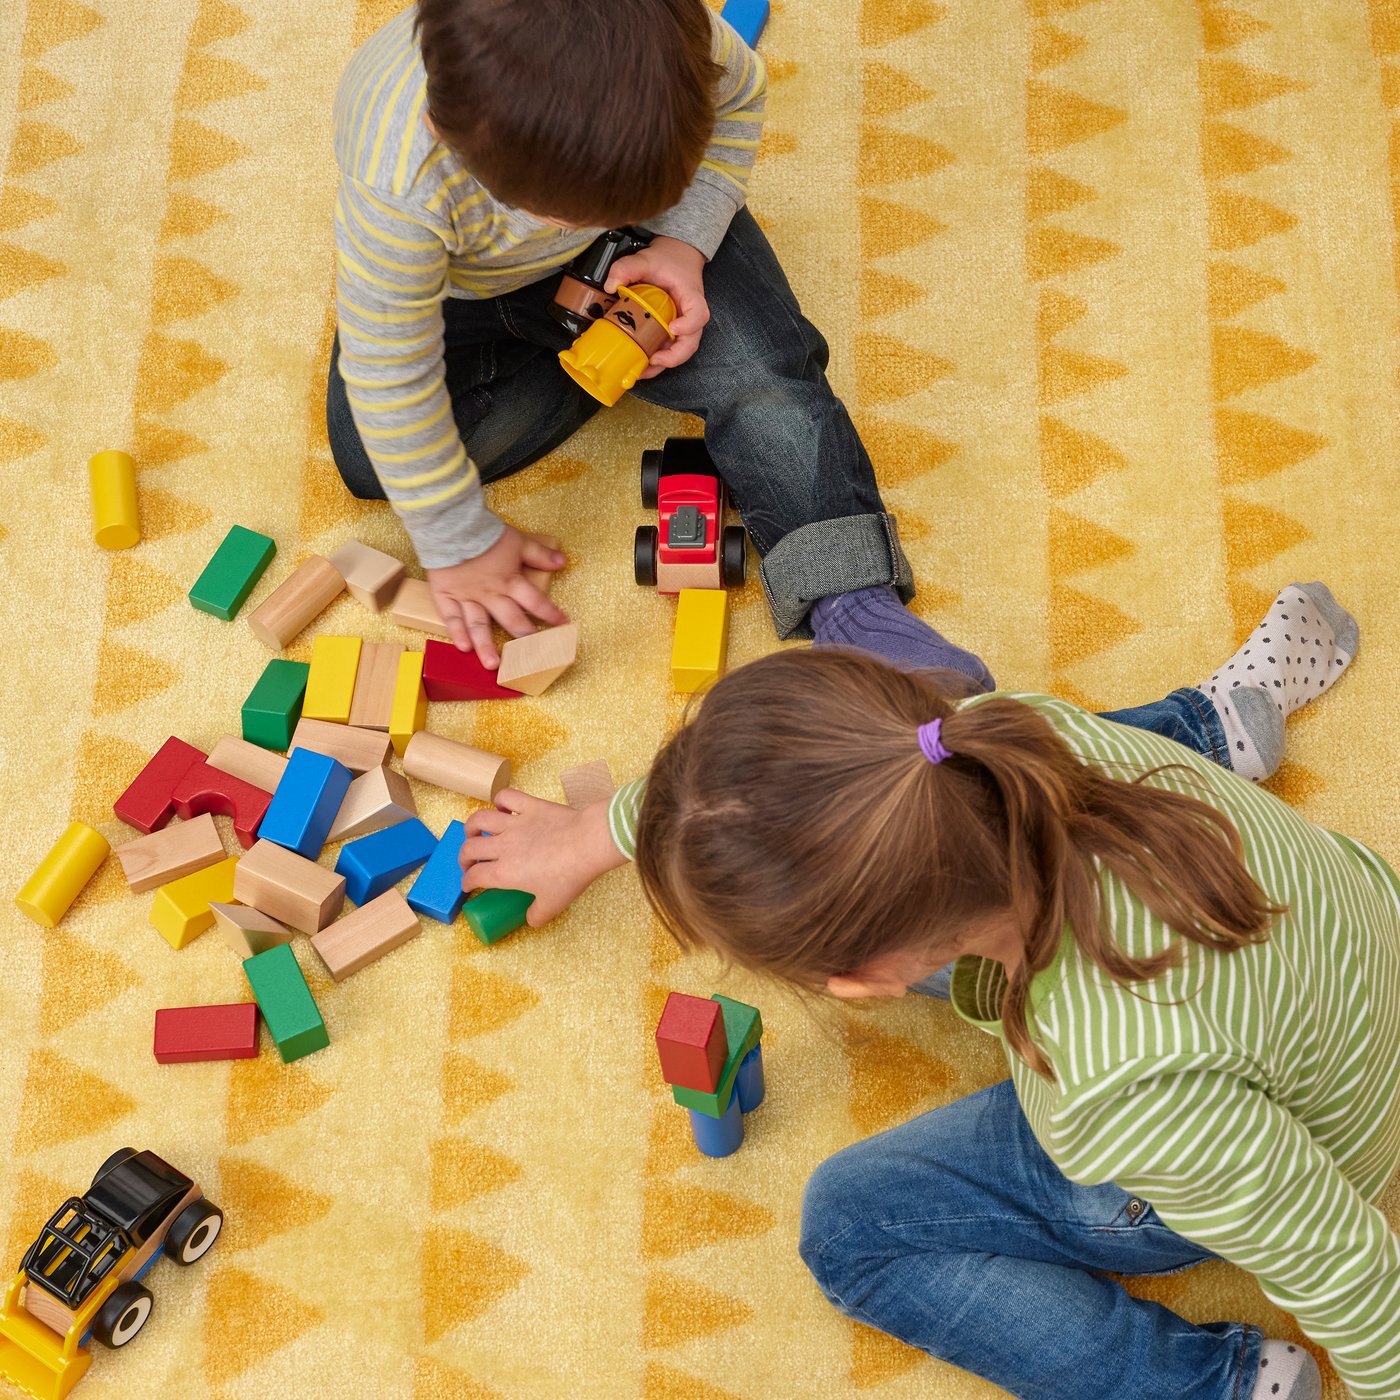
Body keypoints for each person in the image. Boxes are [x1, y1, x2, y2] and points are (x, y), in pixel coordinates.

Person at [459, 584, 1394, 1400]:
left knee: (851, 1228)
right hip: (1356, 944)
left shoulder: (1127, 1095)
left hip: (1296, 1123)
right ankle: (1209, 722)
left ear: (862, 984)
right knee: (916, 829)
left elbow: (1347, 1264)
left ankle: (1214, 1387)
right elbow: (769, 789)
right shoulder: (1008, 737)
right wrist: (601, 833)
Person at [328, 0, 935, 667]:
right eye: (560, 215)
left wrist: (684, 242)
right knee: (371, 457)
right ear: (443, 131)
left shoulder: (681, 38)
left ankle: (849, 594)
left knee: (760, 373)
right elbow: (390, 369)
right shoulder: (398, 188)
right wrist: (457, 538)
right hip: (464, 292)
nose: (572, 225)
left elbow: (740, 98)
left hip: (648, 250)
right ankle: (588, 357)